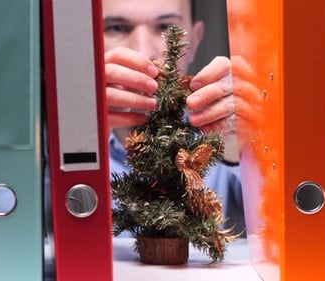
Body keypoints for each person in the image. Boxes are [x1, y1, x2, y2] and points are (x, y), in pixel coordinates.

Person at [103, 0, 245, 234]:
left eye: (166, 27)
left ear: (195, 40)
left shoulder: (221, 127)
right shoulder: (49, 134)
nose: (143, 51)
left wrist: (243, 151)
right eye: (117, 28)